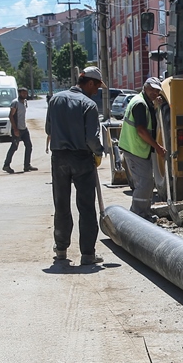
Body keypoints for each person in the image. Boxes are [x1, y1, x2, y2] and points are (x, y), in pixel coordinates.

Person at [45, 66, 106, 265]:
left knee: (61, 204)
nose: (96, 92)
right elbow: (91, 138)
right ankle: (88, 254)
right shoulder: (88, 105)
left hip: (59, 158)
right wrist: (99, 152)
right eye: (96, 87)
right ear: (89, 83)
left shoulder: (55, 100)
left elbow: (48, 128)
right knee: (87, 207)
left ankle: (61, 250)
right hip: (81, 159)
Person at [116, 76, 168, 219]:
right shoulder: (140, 104)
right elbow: (141, 130)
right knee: (144, 184)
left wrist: (155, 106)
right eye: (151, 89)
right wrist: (157, 147)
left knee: (147, 183)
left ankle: (143, 213)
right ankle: (137, 215)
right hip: (135, 149)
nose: (154, 93)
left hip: (138, 149)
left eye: (157, 91)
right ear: (145, 87)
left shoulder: (145, 102)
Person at [3, 87, 37, 174]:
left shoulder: (24, 102)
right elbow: (11, 116)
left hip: (24, 129)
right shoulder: (15, 103)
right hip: (17, 129)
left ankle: (27, 165)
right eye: (23, 93)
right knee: (14, 147)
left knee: (29, 146)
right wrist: (15, 129)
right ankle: (6, 165)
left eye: (26, 93)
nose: (25, 95)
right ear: (19, 93)